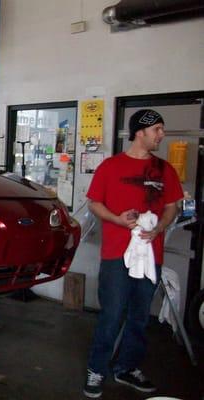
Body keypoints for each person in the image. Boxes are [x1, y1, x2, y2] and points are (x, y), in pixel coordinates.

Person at [83, 109, 183, 398]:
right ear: (140, 132)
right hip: (116, 255)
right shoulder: (110, 167)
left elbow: (172, 206)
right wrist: (116, 219)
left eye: (162, 130)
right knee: (112, 315)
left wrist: (159, 228)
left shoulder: (165, 170)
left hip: (151, 255)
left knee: (140, 316)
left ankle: (127, 367)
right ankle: (97, 368)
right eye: (157, 130)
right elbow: (94, 203)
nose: (161, 135)